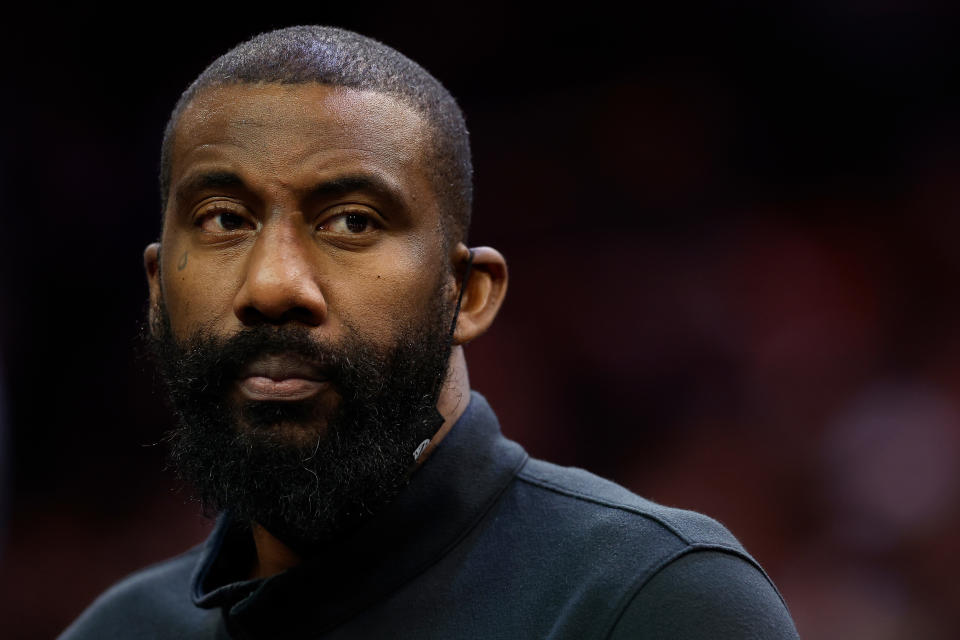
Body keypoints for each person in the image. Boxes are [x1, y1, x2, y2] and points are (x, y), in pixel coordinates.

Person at [59, 26, 800, 639]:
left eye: (351, 221)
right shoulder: (117, 632)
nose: (272, 284)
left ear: (467, 295)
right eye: (224, 220)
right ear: (158, 292)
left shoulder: (651, 604)